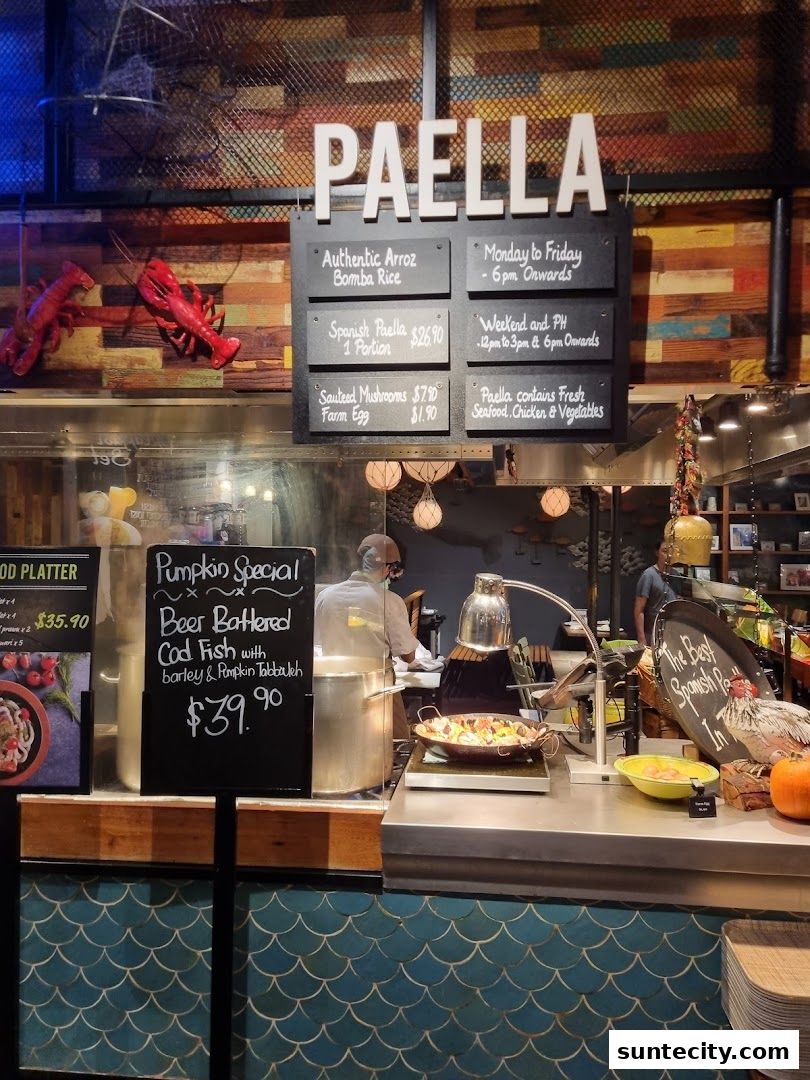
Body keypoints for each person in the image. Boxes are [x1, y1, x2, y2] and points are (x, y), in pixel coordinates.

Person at [314, 533, 420, 738]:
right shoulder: (389, 601)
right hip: (377, 690)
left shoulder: (325, 596)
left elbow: (317, 643)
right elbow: (409, 656)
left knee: (338, 747)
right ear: (388, 568)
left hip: (333, 691)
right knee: (393, 747)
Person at [634, 538, 677, 648]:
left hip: (672, 634)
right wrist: (641, 638)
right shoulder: (649, 575)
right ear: (657, 553)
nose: (668, 555)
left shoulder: (676, 576)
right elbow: (639, 609)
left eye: (671, 552)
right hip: (652, 634)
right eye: (665, 551)